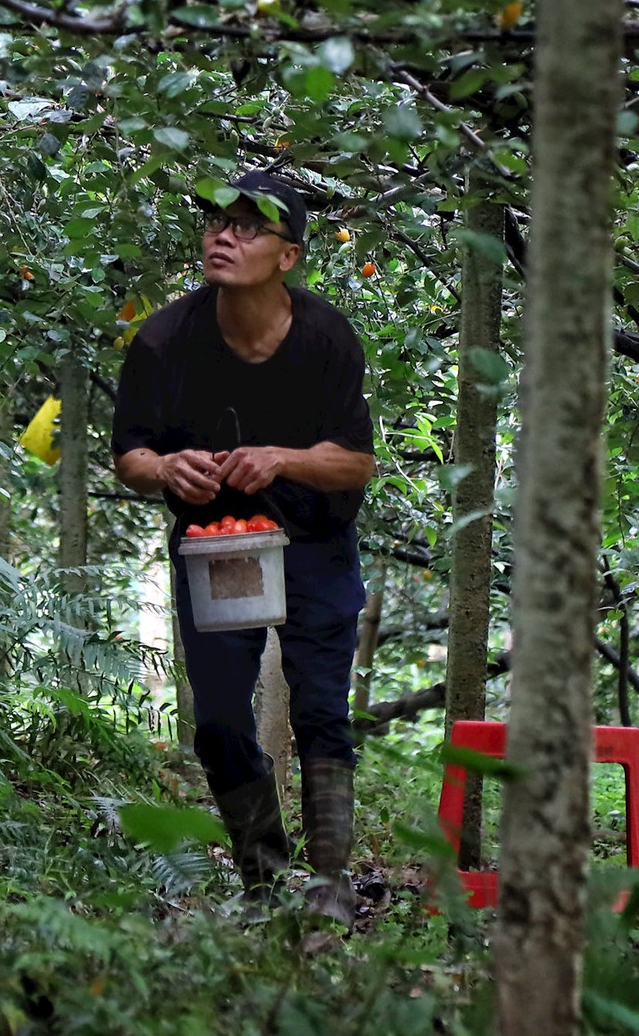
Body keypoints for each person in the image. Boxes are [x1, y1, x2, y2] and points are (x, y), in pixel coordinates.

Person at [110, 169, 376, 924]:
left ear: (287, 255)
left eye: (248, 227)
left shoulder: (326, 338)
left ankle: (329, 881)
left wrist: (283, 458)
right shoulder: (163, 340)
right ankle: (261, 879)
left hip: (315, 542)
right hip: (217, 546)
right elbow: (130, 455)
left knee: (323, 706)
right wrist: (165, 465)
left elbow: (356, 461)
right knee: (220, 718)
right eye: (217, 223)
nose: (224, 236)